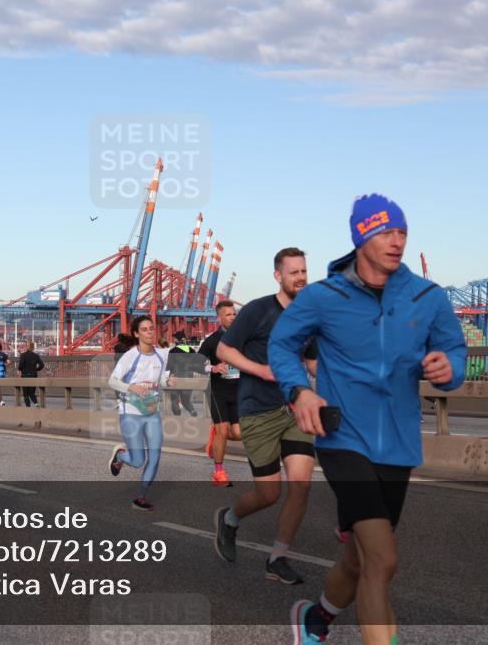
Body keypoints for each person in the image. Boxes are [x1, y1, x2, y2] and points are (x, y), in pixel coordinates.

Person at [270, 195, 466, 645]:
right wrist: (299, 390)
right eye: (384, 233)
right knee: (383, 559)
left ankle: (315, 619)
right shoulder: (324, 296)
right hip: (343, 438)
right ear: (361, 238)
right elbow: (282, 346)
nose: (396, 242)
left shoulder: (427, 297)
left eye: (402, 233)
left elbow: (456, 353)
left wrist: (449, 368)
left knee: (360, 559)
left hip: (398, 442)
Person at [213, 247, 318, 586]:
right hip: (258, 410)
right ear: (278, 276)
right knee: (268, 494)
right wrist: (261, 369)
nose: (300, 278)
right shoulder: (258, 310)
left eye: (304, 271)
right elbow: (224, 350)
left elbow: (314, 363)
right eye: (294, 273)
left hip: (293, 409)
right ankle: (229, 519)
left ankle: (277, 558)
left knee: (301, 485)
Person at [107, 315, 176, 512]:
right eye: (144, 329)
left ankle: (141, 497)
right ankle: (121, 456)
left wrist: (167, 382)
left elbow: (160, 380)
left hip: (152, 412)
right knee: (137, 461)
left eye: (152, 329)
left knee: (155, 457)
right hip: (131, 411)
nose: (150, 332)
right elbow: (112, 381)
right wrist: (132, 387)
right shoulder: (130, 356)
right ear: (136, 333)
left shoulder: (161, 355)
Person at [198, 300, 243, 486]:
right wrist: (214, 368)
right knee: (223, 431)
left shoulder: (243, 337)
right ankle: (218, 472)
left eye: (234, 314)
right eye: (228, 315)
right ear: (219, 317)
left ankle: (215, 436)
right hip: (218, 392)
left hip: (239, 392)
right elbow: (196, 364)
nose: (233, 317)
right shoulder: (212, 341)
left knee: (238, 434)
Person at [168, 331, 199, 416]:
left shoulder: (173, 351)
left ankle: (177, 417)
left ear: (177, 340)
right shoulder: (191, 350)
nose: (173, 340)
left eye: (174, 338)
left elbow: (169, 365)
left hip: (176, 377)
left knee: (174, 399)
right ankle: (192, 411)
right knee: (186, 400)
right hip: (189, 377)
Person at [17, 341, 45, 406]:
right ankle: (36, 403)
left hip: (25, 376)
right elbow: (42, 365)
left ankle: (28, 408)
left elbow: (21, 365)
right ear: (33, 347)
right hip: (33, 375)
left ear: (27, 347)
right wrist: (36, 369)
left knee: (25, 394)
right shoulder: (36, 356)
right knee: (32, 393)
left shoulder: (23, 355)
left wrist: (19, 370)